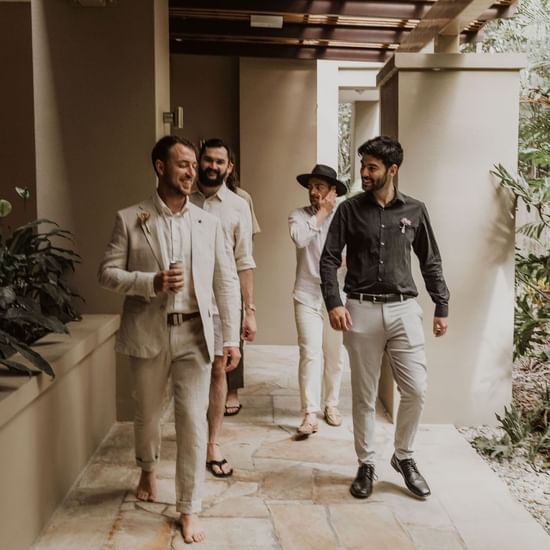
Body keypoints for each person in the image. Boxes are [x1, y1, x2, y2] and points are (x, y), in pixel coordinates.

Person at [98, 135, 241, 544]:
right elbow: (106, 273)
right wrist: (151, 282)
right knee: (146, 415)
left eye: (194, 165)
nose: (192, 172)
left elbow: (226, 282)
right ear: (160, 167)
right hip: (148, 332)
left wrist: (229, 337)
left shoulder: (208, 223)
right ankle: (147, 465)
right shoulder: (130, 218)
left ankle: (189, 507)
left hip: (196, 334)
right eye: (183, 164)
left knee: (193, 421)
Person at [320, 135, 449, 500]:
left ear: (392, 170)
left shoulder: (416, 211)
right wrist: (334, 301)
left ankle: (404, 456)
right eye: (362, 166)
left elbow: (430, 261)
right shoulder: (348, 210)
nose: (364, 172)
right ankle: (366, 463)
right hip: (359, 308)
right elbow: (329, 258)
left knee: (417, 390)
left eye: (371, 167)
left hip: (404, 309)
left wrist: (441, 304)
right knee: (363, 395)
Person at [190, 138, 257, 478]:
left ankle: (212, 443)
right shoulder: (182, 199)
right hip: (184, 301)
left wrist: (249, 310)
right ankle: (187, 439)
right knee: (185, 373)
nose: (212, 166)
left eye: (220, 162)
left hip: (221, 305)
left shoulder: (238, 205)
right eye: (208, 160)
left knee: (219, 370)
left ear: (229, 168)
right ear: (199, 162)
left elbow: (244, 261)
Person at [288, 165, 347, 436]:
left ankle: (331, 405)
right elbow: (300, 240)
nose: (313, 192)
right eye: (311, 186)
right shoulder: (298, 216)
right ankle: (309, 413)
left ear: (332, 191)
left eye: (320, 187)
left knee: (334, 355)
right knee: (309, 353)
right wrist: (322, 212)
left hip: (337, 297)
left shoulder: (345, 218)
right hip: (307, 294)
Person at [223, 147, 261, 415]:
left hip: (233, 274)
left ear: (230, 167)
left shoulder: (241, 198)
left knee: (235, 336)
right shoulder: (193, 197)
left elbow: (249, 241)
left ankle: (232, 389)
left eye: (221, 162)